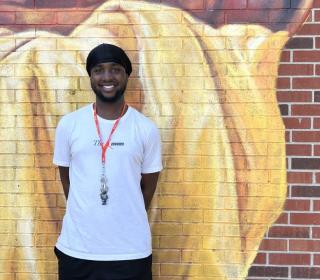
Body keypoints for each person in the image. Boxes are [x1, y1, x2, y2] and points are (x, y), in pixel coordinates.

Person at [52, 43, 162, 280]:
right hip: (77, 250)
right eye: (99, 70)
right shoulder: (69, 125)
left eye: (115, 69)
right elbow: (67, 179)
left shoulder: (145, 129)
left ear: (126, 75)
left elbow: (148, 186)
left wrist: (122, 214)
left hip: (130, 253)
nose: (107, 77)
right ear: (90, 76)